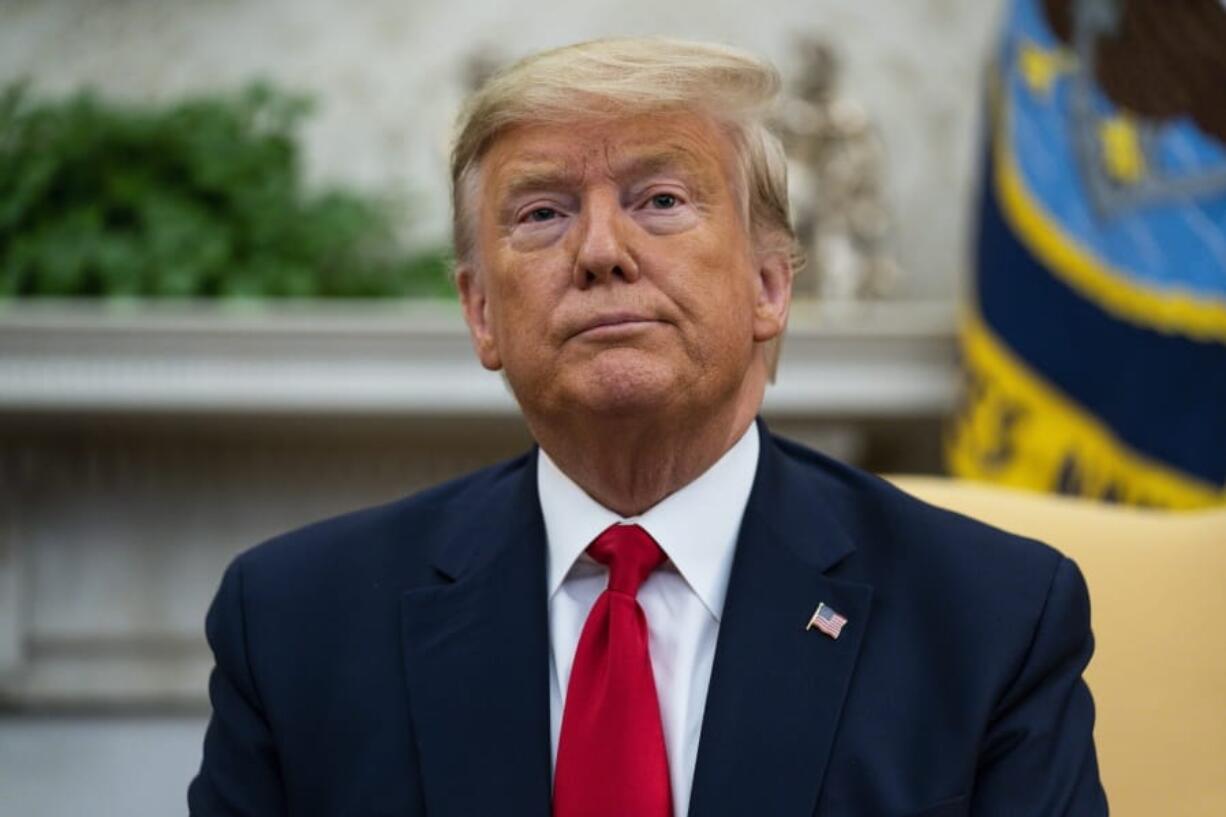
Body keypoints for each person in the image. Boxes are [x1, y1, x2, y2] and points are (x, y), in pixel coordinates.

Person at [188, 38, 1108, 816]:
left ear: (769, 285)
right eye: (543, 213)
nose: (599, 252)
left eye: (660, 200)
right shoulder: (294, 623)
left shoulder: (990, 621)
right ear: (480, 313)